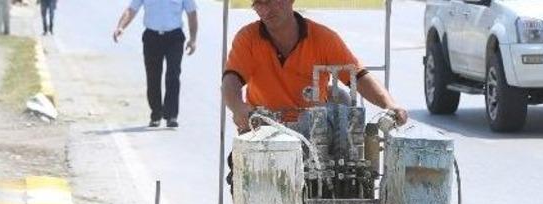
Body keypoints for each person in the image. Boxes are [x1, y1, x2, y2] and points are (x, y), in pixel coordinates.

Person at [221, 0, 408, 134]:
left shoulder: (323, 39)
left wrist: (389, 104)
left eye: (271, 1)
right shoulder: (247, 38)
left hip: (314, 135)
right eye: (258, 3)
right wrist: (238, 107)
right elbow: (231, 79)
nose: (265, 9)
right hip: (263, 130)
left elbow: (358, 76)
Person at [113, 0, 198, 128]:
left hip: (174, 37)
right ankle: (156, 114)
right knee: (153, 77)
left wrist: (193, 39)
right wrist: (121, 26)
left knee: (173, 76)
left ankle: (171, 115)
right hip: (152, 37)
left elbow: (192, 13)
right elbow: (131, 9)